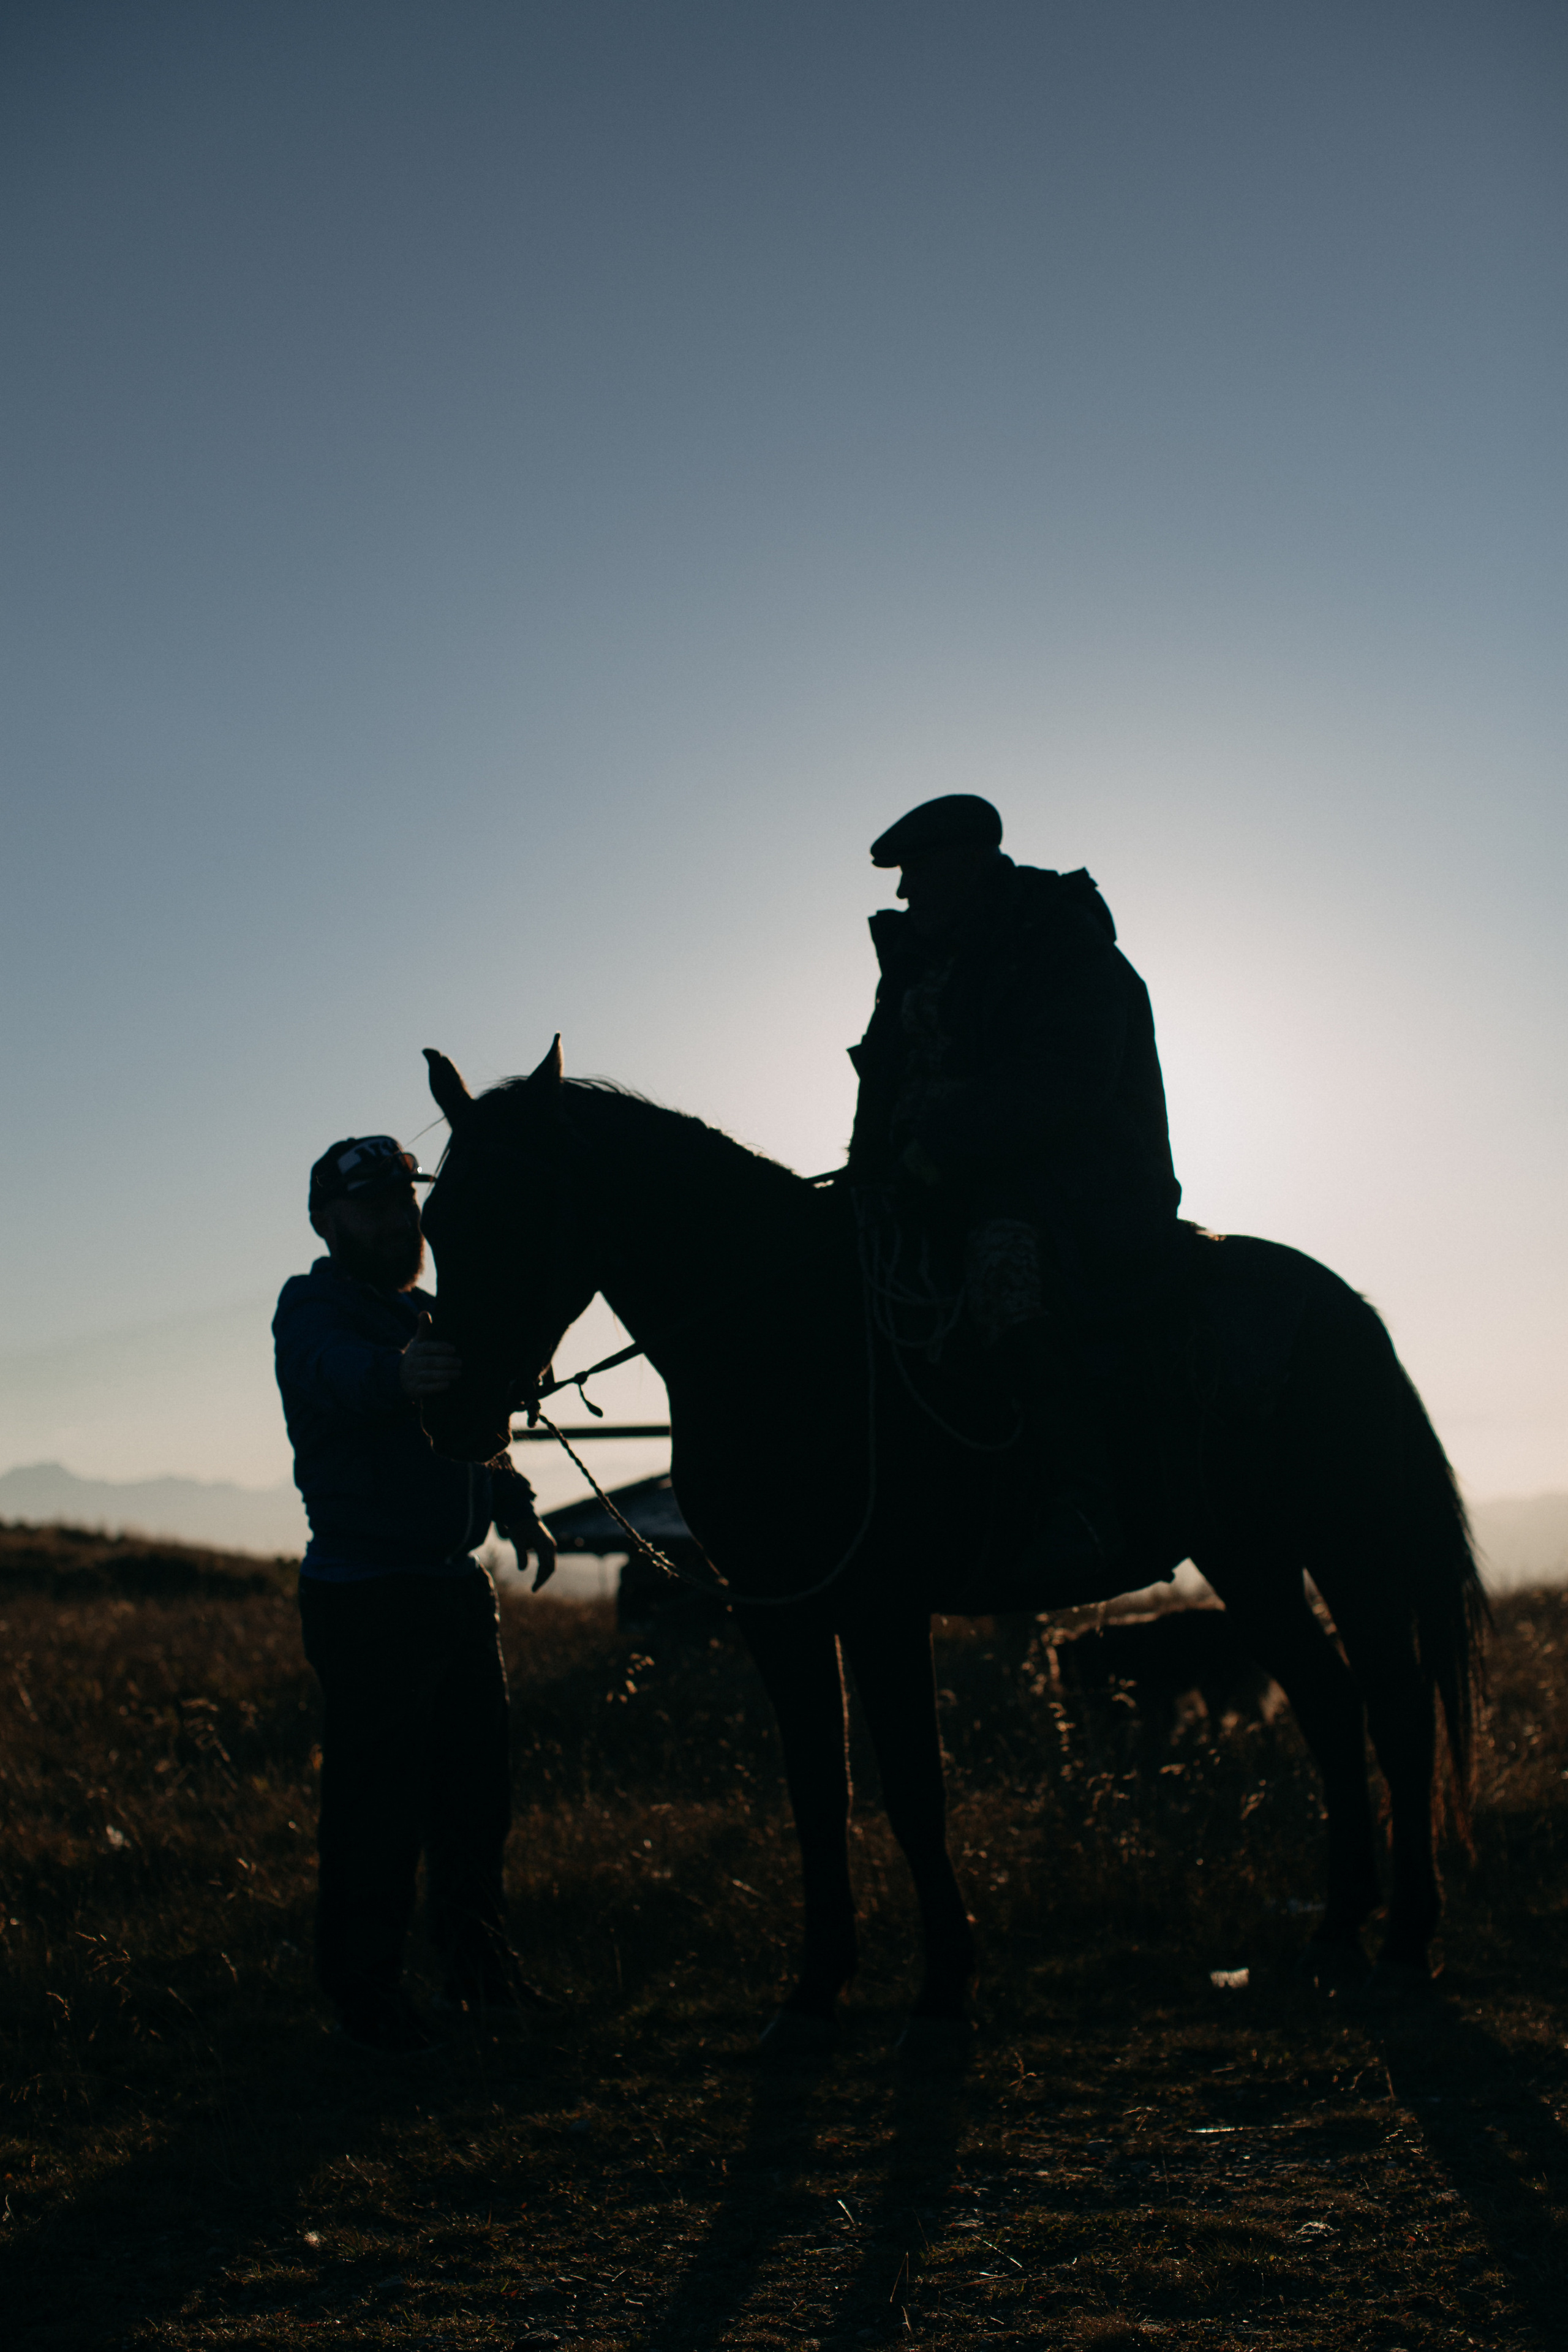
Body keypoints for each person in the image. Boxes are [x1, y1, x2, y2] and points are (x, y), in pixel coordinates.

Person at [273, 1131, 557, 2052]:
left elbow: (477, 1436)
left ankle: (479, 1971)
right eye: (375, 1207)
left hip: (455, 1590)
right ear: (328, 1220)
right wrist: (399, 1375)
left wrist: (512, 1503)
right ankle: (368, 2002)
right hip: (367, 1596)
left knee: (476, 1797)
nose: (398, 1221)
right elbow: (333, 1374)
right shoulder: (311, 1307)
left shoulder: (434, 1313)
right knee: (376, 1807)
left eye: (405, 1203)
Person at [846, 794, 1182, 1567]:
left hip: (1069, 1182)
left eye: (916, 871)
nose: (902, 893)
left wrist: (941, 1151)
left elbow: (1063, 1078)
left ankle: (1085, 1504)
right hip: (927, 1183)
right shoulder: (913, 961)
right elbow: (886, 1083)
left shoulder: (1062, 942)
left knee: (1003, 1276)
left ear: (968, 863)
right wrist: (867, 1180)